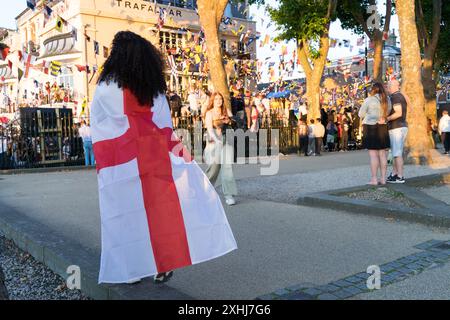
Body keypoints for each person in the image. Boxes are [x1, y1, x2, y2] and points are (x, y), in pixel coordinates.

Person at [90, 31, 237, 285]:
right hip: (154, 159)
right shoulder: (153, 90)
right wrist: (181, 157)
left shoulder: (104, 88)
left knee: (126, 215)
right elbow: (165, 128)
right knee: (158, 214)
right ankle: (162, 262)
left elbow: (100, 127)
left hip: (121, 163)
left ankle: (132, 269)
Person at [204, 92, 238, 206]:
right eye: (216, 99)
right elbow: (209, 129)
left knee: (227, 167)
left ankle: (229, 195)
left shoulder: (226, 111)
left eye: (220, 99)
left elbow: (234, 123)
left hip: (226, 139)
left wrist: (228, 121)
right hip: (214, 141)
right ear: (212, 100)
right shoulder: (209, 113)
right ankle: (205, 190)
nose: (219, 101)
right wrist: (216, 139)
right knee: (214, 168)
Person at [359, 82, 390, 185]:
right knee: (382, 154)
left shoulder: (369, 100)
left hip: (370, 127)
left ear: (373, 90)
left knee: (373, 155)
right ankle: (383, 179)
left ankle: (374, 179)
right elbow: (388, 112)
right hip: (383, 127)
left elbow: (361, 114)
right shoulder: (387, 99)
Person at [386, 79, 408, 184]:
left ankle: (400, 176)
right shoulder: (401, 96)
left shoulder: (395, 97)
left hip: (397, 127)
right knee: (396, 152)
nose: (387, 88)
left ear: (393, 86)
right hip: (402, 126)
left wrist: (387, 118)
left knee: (397, 153)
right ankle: (394, 174)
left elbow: (398, 113)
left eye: (388, 86)